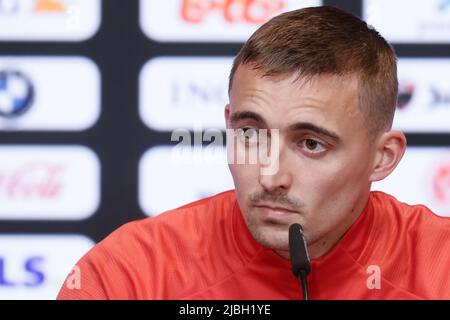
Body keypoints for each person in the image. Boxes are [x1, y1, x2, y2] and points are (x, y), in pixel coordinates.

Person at [57, 6, 450, 300]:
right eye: (250, 134)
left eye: (311, 144)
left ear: (382, 157)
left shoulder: (440, 267)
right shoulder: (129, 274)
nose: (269, 175)